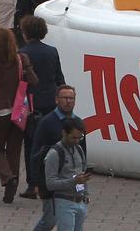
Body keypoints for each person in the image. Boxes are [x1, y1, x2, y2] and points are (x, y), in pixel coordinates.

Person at [0, 26, 38, 203]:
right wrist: (26, 69)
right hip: (19, 110)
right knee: (14, 150)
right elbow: (34, 81)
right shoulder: (21, 58)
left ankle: (7, 176)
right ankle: (10, 190)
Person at [18, 15, 65, 195]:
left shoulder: (22, 54)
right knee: (52, 143)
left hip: (31, 105)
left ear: (25, 33)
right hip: (50, 103)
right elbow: (59, 77)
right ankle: (51, 181)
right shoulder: (52, 51)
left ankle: (33, 184)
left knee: (31, 145)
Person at [30, 85, 84, 229]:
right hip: (52, 180)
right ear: (56, 100)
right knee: (49, 220)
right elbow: (36, 152)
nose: (68, 101)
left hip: (72, 185)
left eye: (71, 98)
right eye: (65, 98)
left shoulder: (78, 123)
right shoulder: (47, 122)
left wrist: (83, 187)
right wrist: (34, 182)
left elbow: (82, 155)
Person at [43, 117, 91, 231]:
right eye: (73, 137)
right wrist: (74, 181)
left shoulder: (79, 149)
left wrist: (85, 195)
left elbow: (82, 173)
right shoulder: (54, 154)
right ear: (64, 133)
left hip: (80, 201)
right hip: (64, 202)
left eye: (80, 137)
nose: (77, 141)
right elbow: (50, 183)